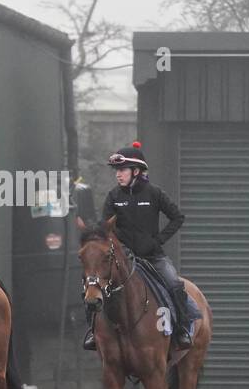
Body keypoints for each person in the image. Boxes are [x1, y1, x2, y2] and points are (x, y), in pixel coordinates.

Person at [83, 141, 193, 351]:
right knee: (92, 284)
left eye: (122, 170)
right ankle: (92, 332)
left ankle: (181, 331)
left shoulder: (155, 193)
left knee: (174, 284)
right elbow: (105, 227)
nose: (118, 175)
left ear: (136, 171)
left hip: (153, 257)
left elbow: (177, 217)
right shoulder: (113, 196)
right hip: (123, 258)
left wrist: (158, 241)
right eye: (116, 171)